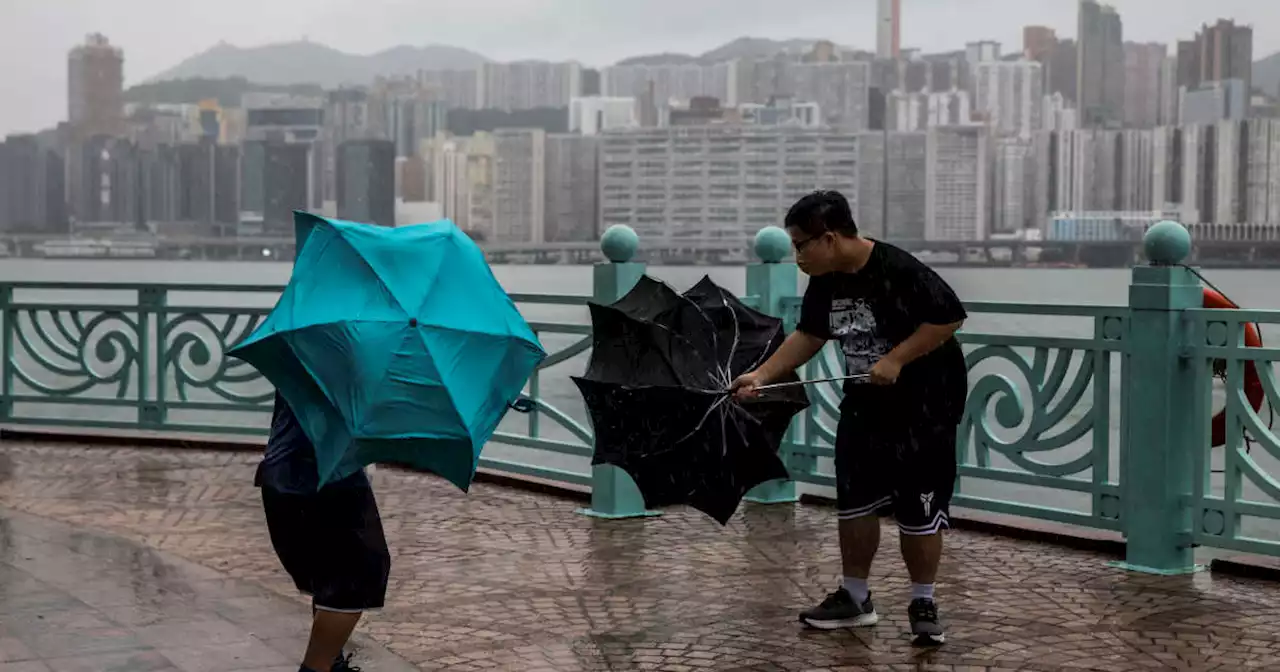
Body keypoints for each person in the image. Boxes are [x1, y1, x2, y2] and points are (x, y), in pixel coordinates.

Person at [731, 190, 967, 646]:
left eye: (801, 245)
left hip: (924, 407)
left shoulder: (899, 269)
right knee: (855, 499)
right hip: (864, 402)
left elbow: (948, 318)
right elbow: (809, 335)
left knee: (918, 508)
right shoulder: (827, 279)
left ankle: (923, 600)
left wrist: (898, 358)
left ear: (831, 238)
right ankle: (856, 597)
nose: (796, 255)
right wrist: (760, 375)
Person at [257, 392, 391, 672]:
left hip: (282, 470)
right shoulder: (351, 356)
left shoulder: (304, 349)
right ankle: (318, 668)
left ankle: (332, 662)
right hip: (327, 476)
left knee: (331, 576)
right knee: (359, 577)